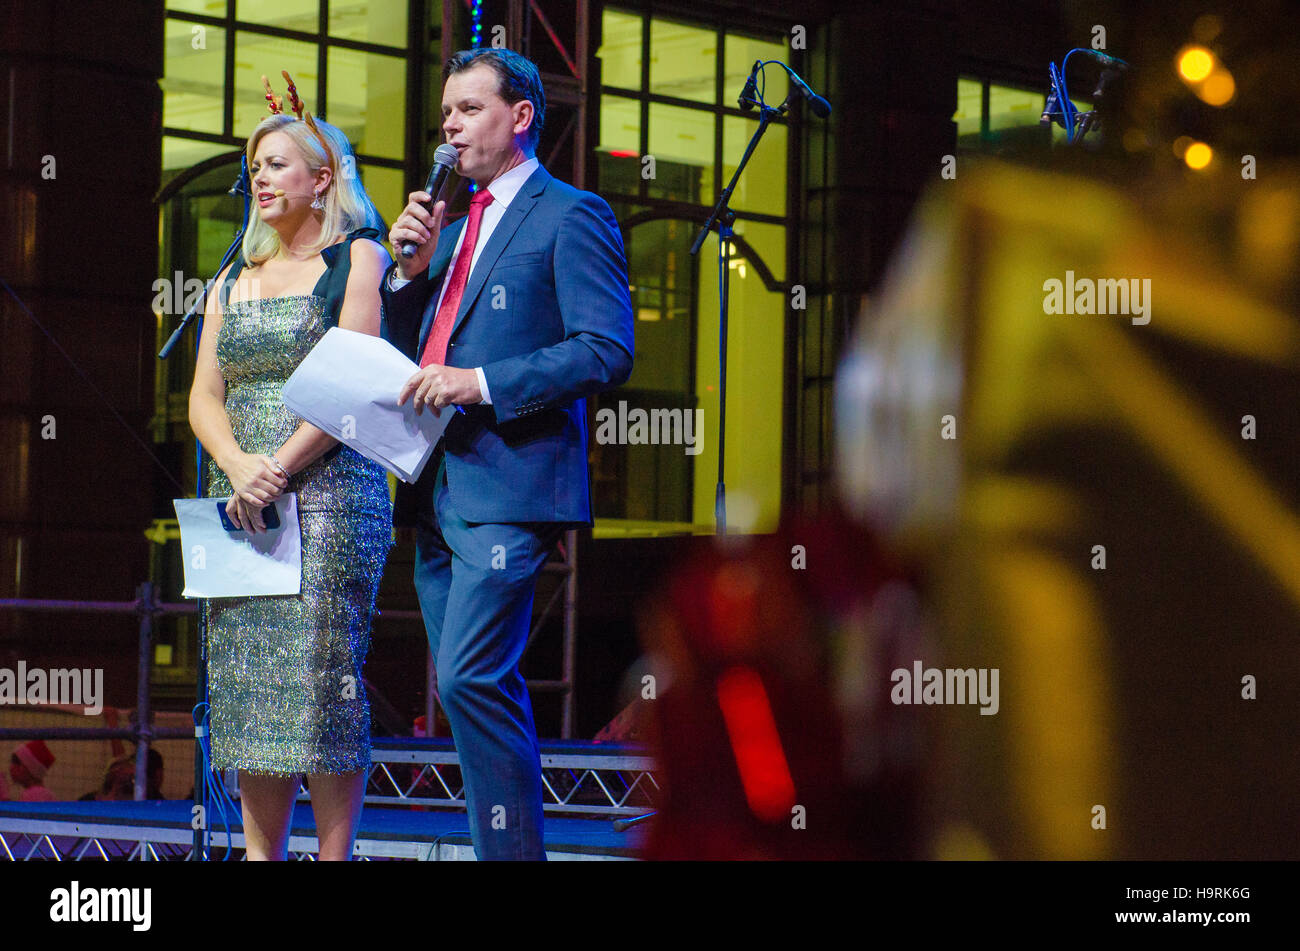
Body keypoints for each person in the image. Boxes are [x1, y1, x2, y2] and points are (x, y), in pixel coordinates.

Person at [384, 48, 634, 860]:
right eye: (445, 114)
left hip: (511, 481)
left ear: (520, 117)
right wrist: (407, 278)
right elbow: (416, 352)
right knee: (473, 690)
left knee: (469, 678)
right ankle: (507, 848)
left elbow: (605, 348)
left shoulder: (572, 213)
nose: (449, 127)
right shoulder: (452, 230)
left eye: (467, 109)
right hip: (436, 488)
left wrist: (480, 381)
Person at [187, 73, 393, 861]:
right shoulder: (231, 280)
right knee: (248, 689)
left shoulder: (358, 260)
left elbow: (356, 387)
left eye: (277, 163)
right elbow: (207, 395)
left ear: (322, 177)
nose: (261, 178)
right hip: (241, 500)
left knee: (318, 685)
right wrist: (240, 465)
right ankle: (259, 855)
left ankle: (336, 857)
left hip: (329, 495)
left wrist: (276, 465)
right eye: (256, 165)